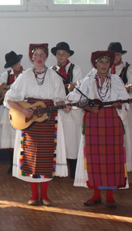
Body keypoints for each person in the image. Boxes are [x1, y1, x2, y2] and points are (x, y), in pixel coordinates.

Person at [4, 43, 69, 206]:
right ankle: (34, 195)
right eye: (36, 55)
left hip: (49, 120)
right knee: (31, 157)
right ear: (31, 57)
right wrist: (23, 110)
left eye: (42, 55)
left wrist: (64, 104)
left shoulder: (55, 76)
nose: (39, 58)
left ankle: (45, 195)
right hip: (30, 120)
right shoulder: (24, 76)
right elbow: (9, 98)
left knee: (47, 157)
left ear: (46, 57)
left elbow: (60, 98)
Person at [68, 50, 129, 208]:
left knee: (112, 159)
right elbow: (73, 99)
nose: (104, 65)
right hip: (93, 122)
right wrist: (88, 107)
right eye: (101, 62)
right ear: (95, 64)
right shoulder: (88, 81)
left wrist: (119, 104)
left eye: (107, 62)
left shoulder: (116, 80)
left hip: (112, 123)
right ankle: (96, 194)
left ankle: (110, 196)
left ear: (110, 64)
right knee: (94, 159)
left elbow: (126, 101)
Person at [49, 42, 84, 178]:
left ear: (69, 55)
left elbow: (78, 88)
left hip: (71, 110)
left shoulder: (76, 69)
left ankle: (74, 171)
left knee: (72, 141)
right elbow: (50, 90)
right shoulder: (51, 70)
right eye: (59, 53)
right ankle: (57, 170)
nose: (61, 56)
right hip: (58, 109)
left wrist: (69, 93)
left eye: (64, 53)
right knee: (57, 141)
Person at [107, 42, 132, 172]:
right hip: (107, 108)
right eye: (112, 55)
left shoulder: (128, 69)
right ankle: (110, 163)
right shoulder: (104, 67)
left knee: (125, 135)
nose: (115, 57)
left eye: (117, 54)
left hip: (123, 108)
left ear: (121, 55)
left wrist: (128, 89)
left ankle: (126, 165)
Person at [0, 51, 24, 174]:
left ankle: (22, 163)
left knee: (22, 136)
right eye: (12, 65)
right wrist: (0, 91)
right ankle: (12, 164)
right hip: (10, 109)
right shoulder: (6, 75)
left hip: (23, 108)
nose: (15, 67)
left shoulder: (27, 74)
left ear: (19, 62)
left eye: (16, 63)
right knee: (11, 137)